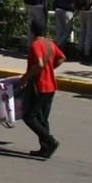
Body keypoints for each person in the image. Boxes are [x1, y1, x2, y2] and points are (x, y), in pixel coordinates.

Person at [17, 18, 65, 158]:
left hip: (40, 86)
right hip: (51, 86)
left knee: (29, 116)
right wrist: (50, 68)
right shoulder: (50, 44)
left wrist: (25, 77)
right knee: (43, 118)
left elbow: (39, 64)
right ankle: (45, 148)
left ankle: (50, 141)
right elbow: (61, 58)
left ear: (32, 31)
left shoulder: (36, 45)